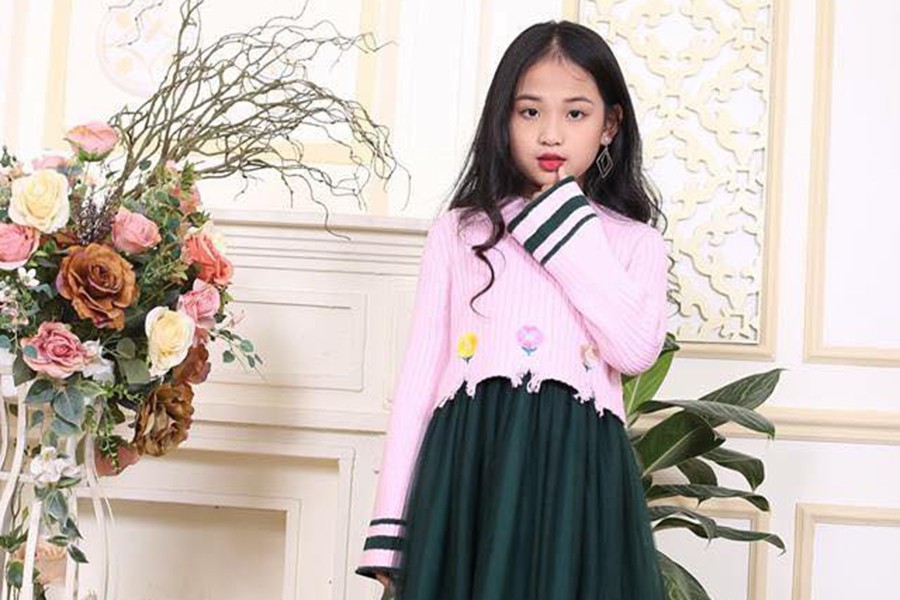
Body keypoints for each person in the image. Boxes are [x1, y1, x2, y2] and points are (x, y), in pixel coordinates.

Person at [356, 19, 670, 600]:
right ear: (503, 119)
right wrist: (391, 530)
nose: (551, 133)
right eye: (529, 112)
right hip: (469, 466)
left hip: (577, 473)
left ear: (609, 125)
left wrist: (564, 221)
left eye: (575, 113)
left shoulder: (633, 242)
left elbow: (634, 350)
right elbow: (420, 379)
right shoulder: (459, 233)